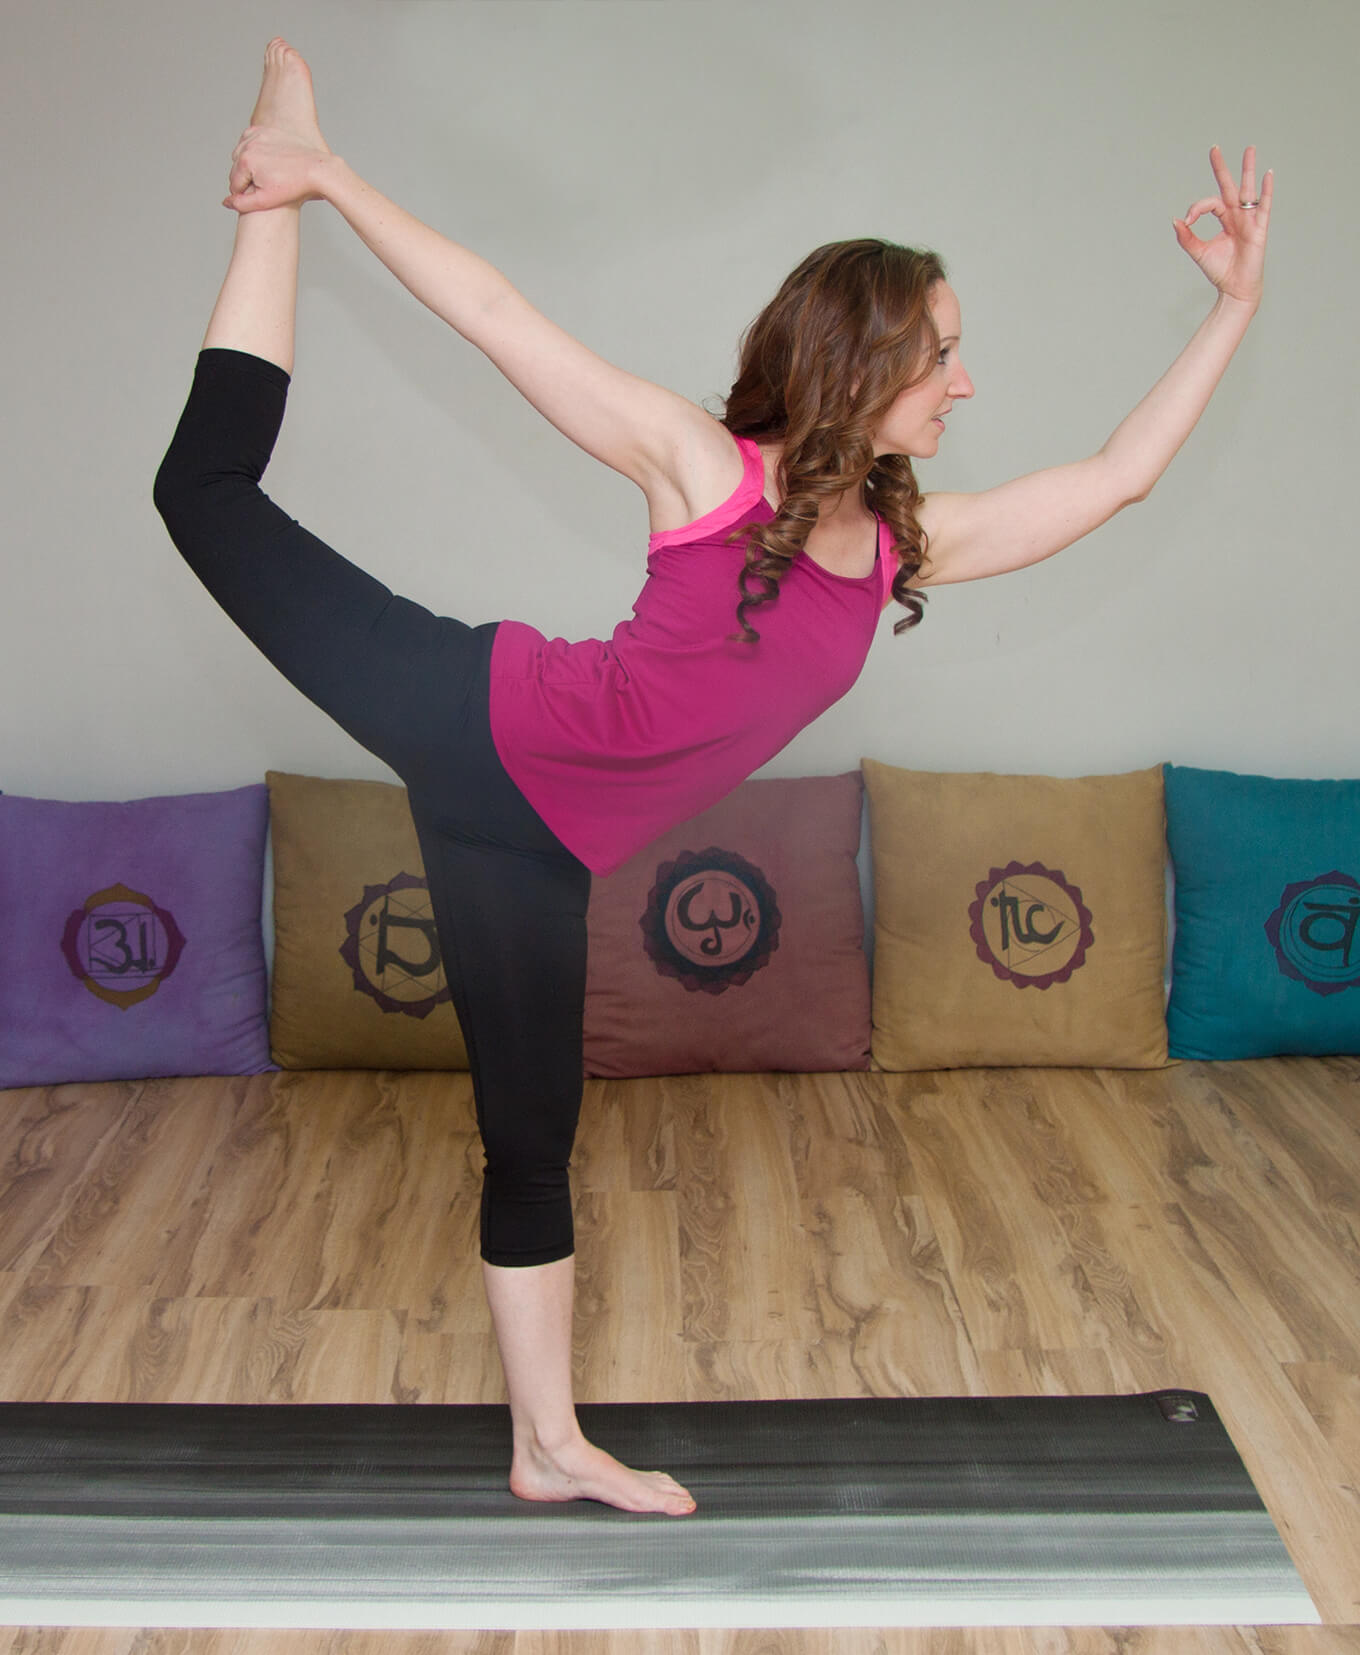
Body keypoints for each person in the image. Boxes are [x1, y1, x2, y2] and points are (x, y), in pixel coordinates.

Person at [154, 39, 1271, 1518]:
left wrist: (1234, 309)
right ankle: (268, 192)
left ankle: (547, 1449)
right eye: (944, 355)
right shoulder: (705, 473)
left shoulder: (895, 555)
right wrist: (325, 180)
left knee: (532, 1136)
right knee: (203, 494)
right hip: (471, 715)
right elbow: (496, 315)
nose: (966, 382)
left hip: (538, 849)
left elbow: (1117, 475)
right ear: (866, 366)